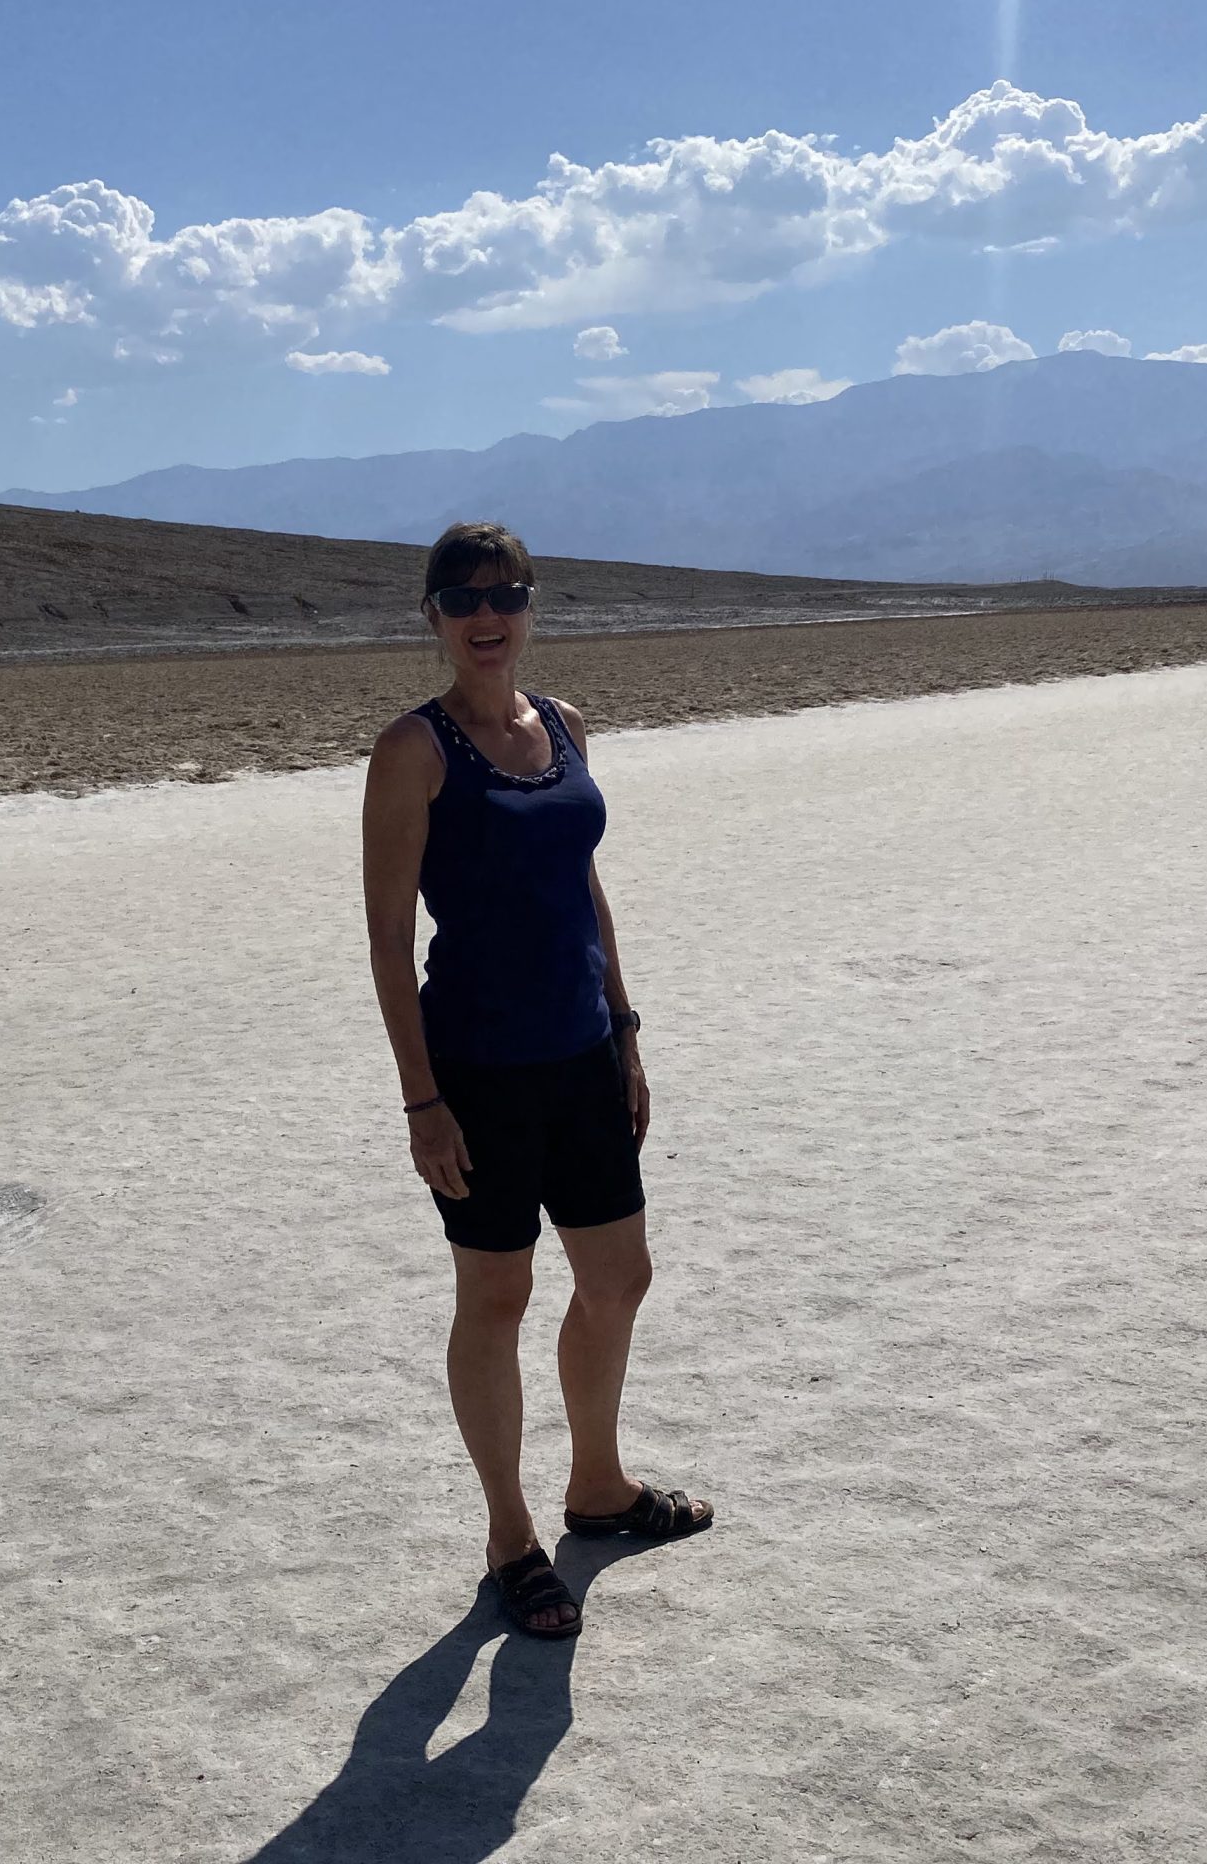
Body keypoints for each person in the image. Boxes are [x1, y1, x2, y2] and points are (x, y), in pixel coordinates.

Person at [360, 521, 714, 1641]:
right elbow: (387, 941)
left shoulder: (562, 726)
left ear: (530, 605)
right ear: (431, 615)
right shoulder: (414, 750)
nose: (487, 615)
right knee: (496, 1297)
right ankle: (510, 1535)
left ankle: (598, 1486)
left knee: (618, 1278)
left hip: (581, 1055)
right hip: (478, 1073)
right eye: (463, 597)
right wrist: (422, 1102)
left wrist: (626, 1028)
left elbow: (583, 886)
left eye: (505, 594)